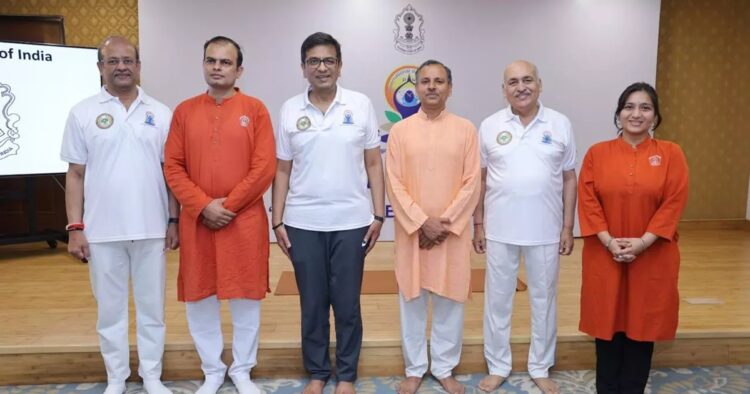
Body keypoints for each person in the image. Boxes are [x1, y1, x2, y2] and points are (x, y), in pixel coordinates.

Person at [61, 36, 178, 394]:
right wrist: (75, 227)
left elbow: (170, 172)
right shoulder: (82, 112)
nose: (121, 67)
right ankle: (116, 378)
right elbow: (76, 174)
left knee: (152, 310)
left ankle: (152, 375)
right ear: (100, 68)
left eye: (128, 60)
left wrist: (174, 221)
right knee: (110, 312)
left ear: (139, 66)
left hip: (152, 229)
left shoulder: (160, 112)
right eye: (113, 61)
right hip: (101, 232)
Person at [271, 32, 385, 394]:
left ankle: (347, 375)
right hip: (303, 222)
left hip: (351, 222)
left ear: (340, 65)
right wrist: (277, 220)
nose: (322, 68)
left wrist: (378, 215)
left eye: (329, 61)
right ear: (303, 67)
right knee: (313, 303)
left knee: (347, 304)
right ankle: (318, 372)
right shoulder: (290, 109)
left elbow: (373, 163)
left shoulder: (360, 104)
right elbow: (282, 170)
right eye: (314, 61)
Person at [163, 36, 276, 394]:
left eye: (225, 62)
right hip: (198, 220)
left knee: (245, 297)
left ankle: (242, 369)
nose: (217, 67)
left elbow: (264, 167)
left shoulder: (255, 109)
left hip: (242, 220)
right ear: (203, 65)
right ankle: (212, 370)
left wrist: (227, 206)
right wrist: (201, 206)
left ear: (239, 69)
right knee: (200, 297)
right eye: (211, 61)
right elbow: (173, 166)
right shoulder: (184, 111)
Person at [473, 60, 577, 394]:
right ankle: (498, 365)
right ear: (504, 89)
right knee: (497, 302)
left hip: (546, 230)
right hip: (500, 230)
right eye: (513, 82)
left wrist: (567, 226)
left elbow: (569, 177)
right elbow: (481, 177)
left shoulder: (560, 124)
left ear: (540, 84)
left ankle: (540, 366)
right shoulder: (489, 125)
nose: (521, 87)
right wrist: (478, 223)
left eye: (527, 80)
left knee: (544, 300)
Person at [578, 82, 688, 393]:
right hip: (605, 252)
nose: (636, 113)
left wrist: (643, 242)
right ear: (618, 113)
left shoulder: (671, 154)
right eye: (629, 106)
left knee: (643, 325)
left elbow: (673, 202)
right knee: (607, 323)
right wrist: (609, 241)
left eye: (645, 107)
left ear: (655, 116)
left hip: (653, 255)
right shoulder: (597, 153)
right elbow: (588, 201)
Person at [385, 59, 480, 394]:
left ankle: (443, 368)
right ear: (416, 88)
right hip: (413, 233)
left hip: (450, 234)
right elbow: (393, 183)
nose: (432, 87)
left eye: (439, 81)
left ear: (450, 88)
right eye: (425, 81)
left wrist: (443, 224)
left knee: (449, 301)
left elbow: (472, 183)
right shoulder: (399, 131)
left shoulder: (466, 129)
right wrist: (421, 222)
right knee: (411, 300)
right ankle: (414, 369)